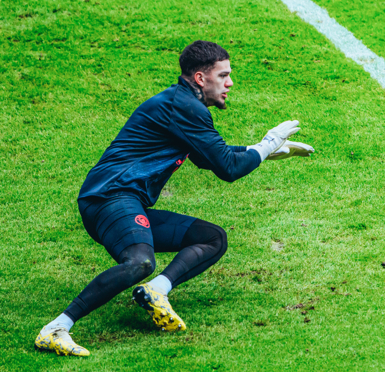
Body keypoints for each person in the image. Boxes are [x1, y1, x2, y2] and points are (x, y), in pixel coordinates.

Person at [34, 40, 313, 357]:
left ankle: (157, 291)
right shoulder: (185, 107)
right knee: (139, 261)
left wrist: (263, 151)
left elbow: (210, 158)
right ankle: (56, 328)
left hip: (124, 199)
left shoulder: (182, 103)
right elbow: (227, 168)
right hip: (111, 196)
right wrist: (267, 145)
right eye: (223, 76)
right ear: (200, 78)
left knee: (211, 238)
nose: (230, 83)